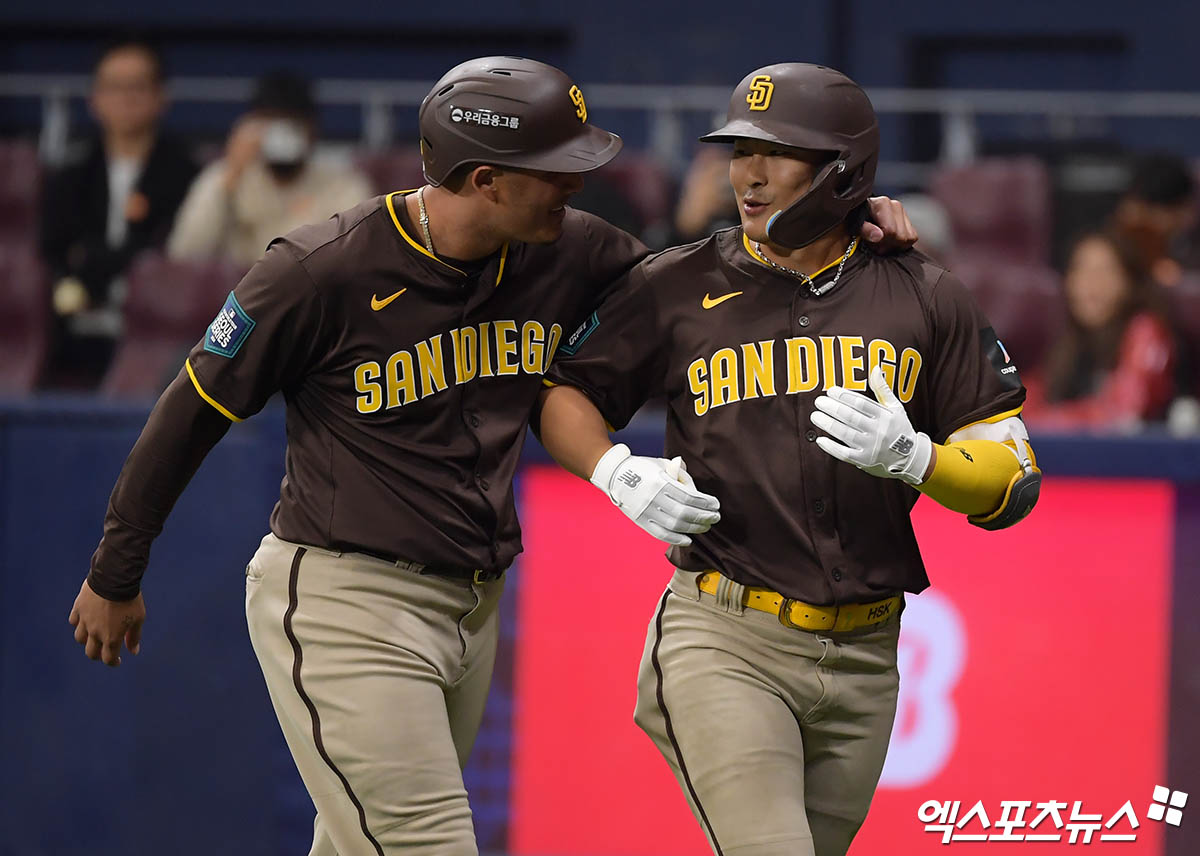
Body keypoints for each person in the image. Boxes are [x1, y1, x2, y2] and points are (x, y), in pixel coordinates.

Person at [67, 57, 916, 854]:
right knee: (428, 838)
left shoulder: (568, 245)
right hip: (341, 600)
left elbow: (707, 286)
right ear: (485, 180)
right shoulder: (319, 270)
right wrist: (116, 569)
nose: (578, 185)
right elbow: (190, 414)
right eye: (556, 169)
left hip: (470, 607)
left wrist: (844, 225)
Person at [536, 63, 1041, 856]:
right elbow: (564, 392)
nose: (750, 174)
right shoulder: (677, 283)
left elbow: (1011, 485)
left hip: (868, 656)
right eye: (739, 150)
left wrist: (918, 460)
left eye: (778, 153)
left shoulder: (923, 293)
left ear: (844, 172)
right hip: (725, 636)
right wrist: (613, 471)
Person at [39, 38, 198, 387]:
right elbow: (52, 251)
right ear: (94, 99)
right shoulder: (70, 172)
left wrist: (95, 260)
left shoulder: (185, 173)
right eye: (114, 87)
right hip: (74, 330)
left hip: (156, 328)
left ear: (161, 97)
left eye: (138, 87)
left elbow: (175, 252)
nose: (126, 98)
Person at [167, 71, 372, 266]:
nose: (282, 134)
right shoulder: (224, 177)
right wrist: (231, 174)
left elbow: (359, 259)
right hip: (237, 298)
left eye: (291, 123)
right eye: (271, 121)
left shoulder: (344, 187)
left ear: (313, 127)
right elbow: (185, 254)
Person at [1024, 231, 1176, 431]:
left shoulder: (1145, 331)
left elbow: (1122, 412)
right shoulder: (1070, 341)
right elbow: (1032, 396)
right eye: (1081, 270)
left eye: (1105, 271)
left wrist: (1042, 421)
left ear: (1129, 282)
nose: (1091, 283)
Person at [1109, 153, 1198, 287]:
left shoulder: (1191, 250)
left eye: (1146, 212)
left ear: (1183, 211)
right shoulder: (1112, 244)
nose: (1132, 217)